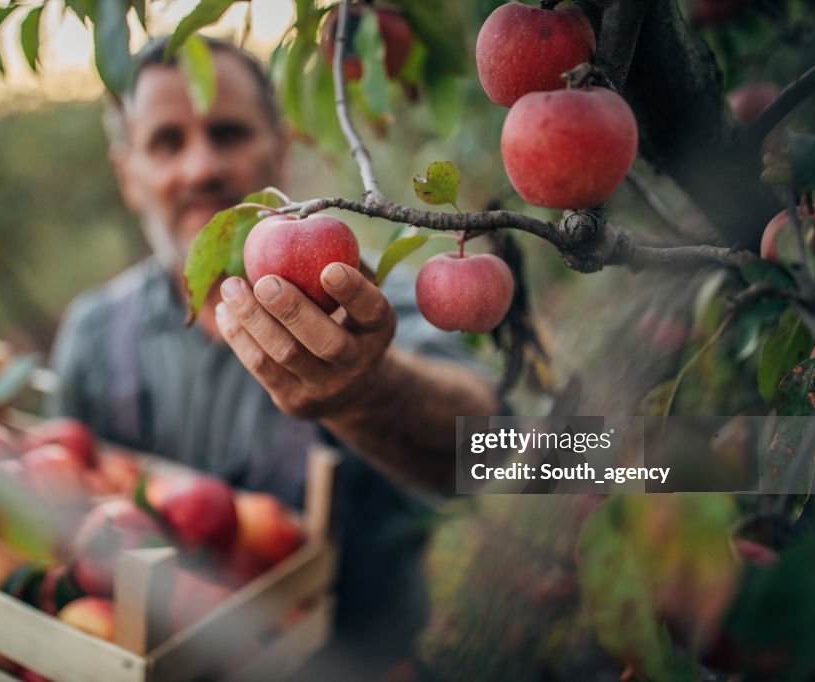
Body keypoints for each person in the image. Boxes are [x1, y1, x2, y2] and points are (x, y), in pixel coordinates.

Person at [48, 35, 501, 678]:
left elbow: (505, 452)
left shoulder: (376, 306)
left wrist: (372, 392)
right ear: (128, 175)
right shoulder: (93, 337)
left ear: (280, 151)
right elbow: (59, 516)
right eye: (166, 142)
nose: (201, 167)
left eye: (228, 132)